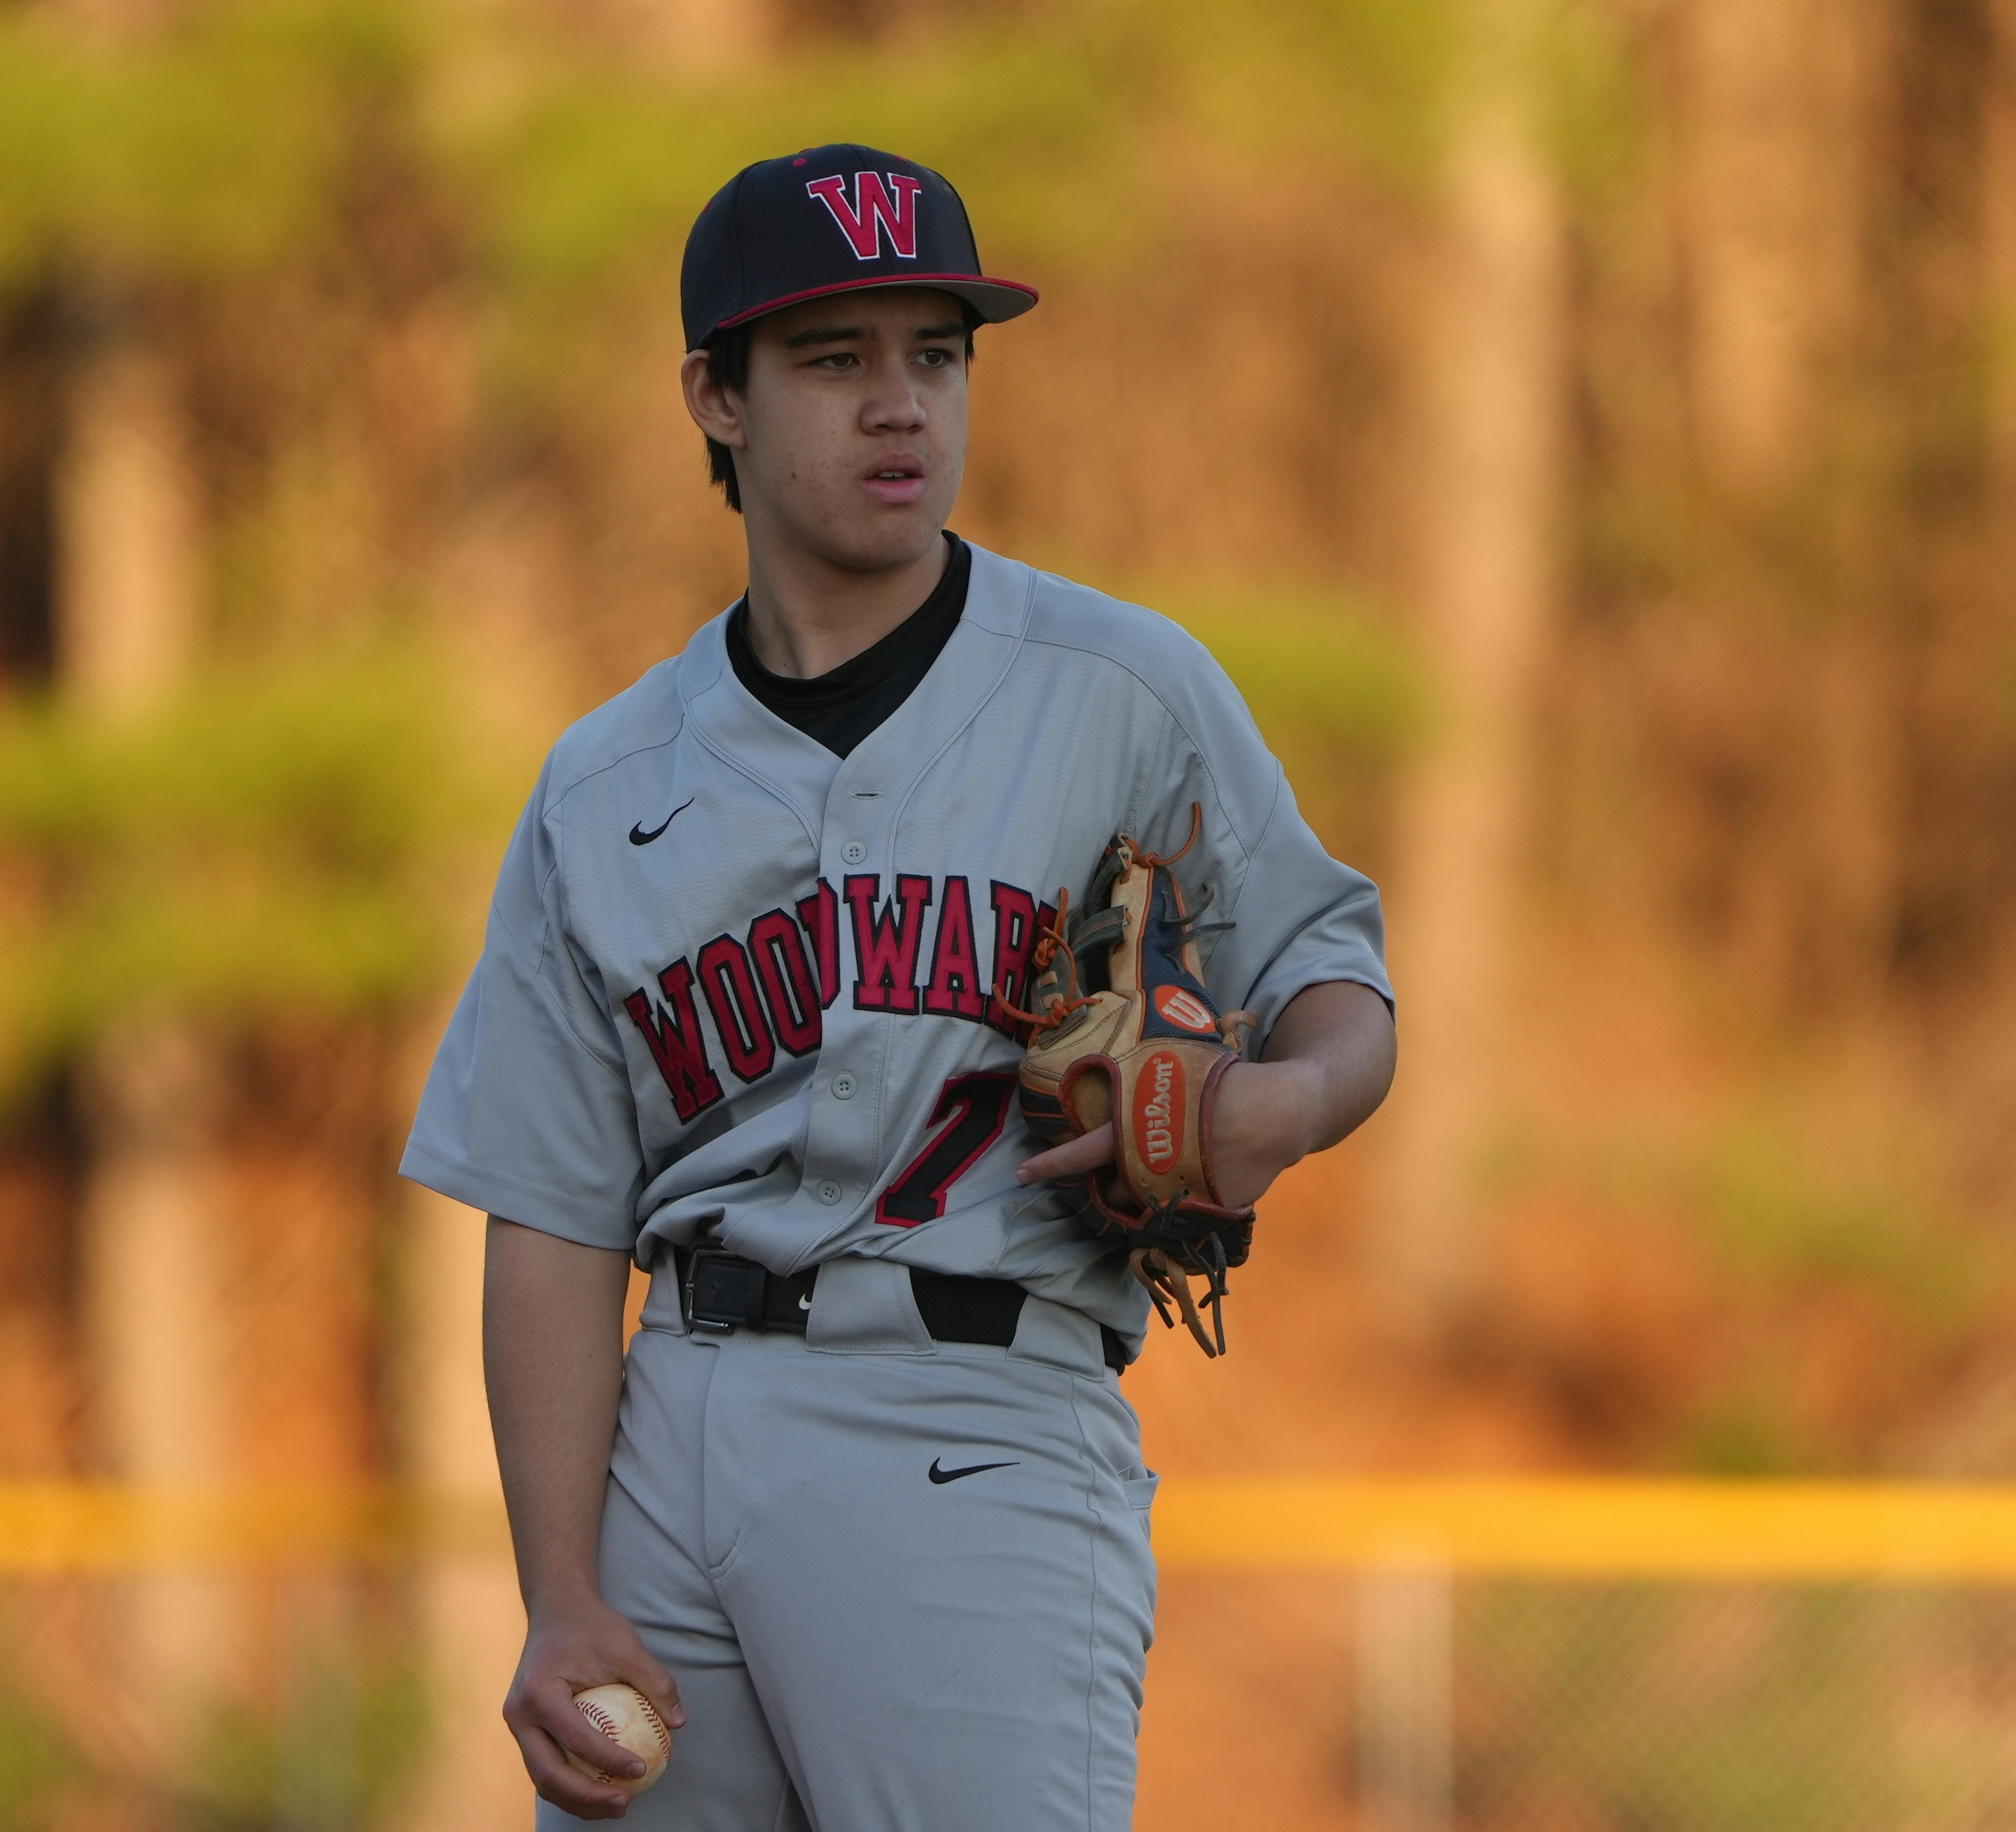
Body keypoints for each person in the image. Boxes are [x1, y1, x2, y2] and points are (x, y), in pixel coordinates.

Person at [400, 143, 1397, 1829]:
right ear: (715, 396)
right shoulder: (603, 781)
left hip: (976, 1412)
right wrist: (557, 1587)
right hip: (677, 1420)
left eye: (934, 354)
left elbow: (1337, 982)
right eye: (835, 357)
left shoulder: (1120, 696)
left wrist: (1279, 1108)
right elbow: (554, 1220)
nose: (898, 405)